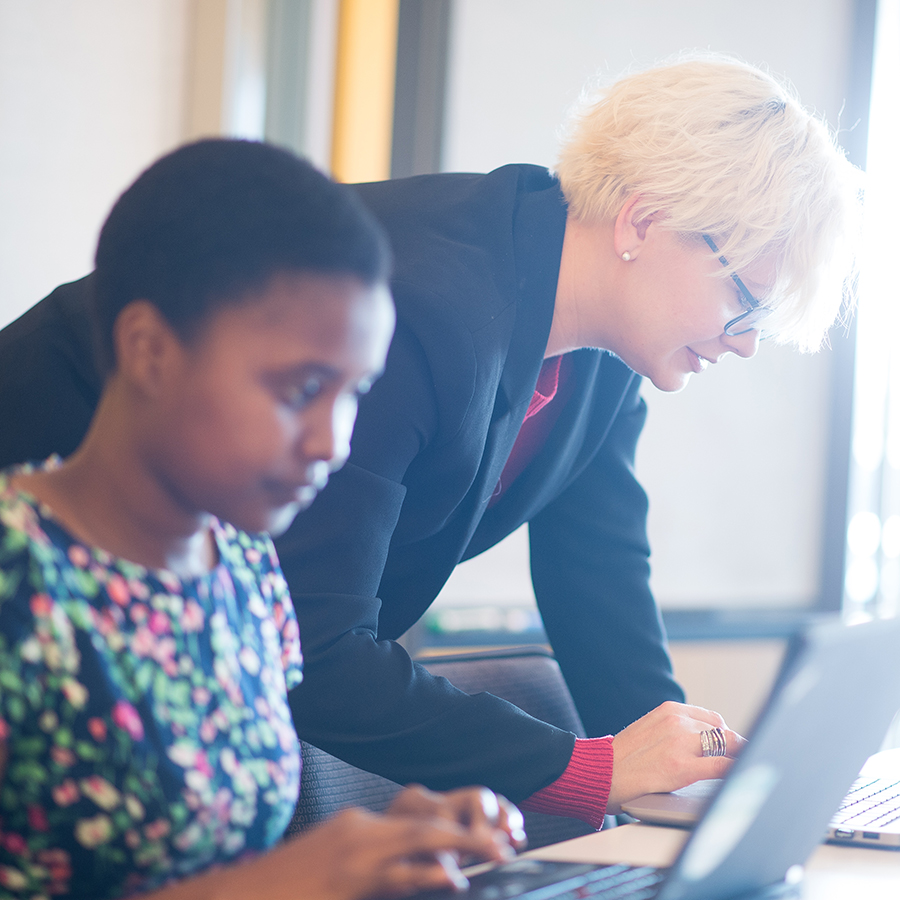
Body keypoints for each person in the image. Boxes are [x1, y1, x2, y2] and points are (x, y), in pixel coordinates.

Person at [0, 54, 859, 829]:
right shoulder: (417, 308)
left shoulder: (606, 359)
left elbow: (601, 586)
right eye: (746, 301)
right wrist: (584, 768)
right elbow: (317, 645)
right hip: (57, 599)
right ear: (642, 222)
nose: (746, 341)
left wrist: (682, 783)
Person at [0, 139, 529, 899]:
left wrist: (390, 848)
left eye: (354, 394)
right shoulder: (18, 578)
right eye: (300, 388)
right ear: (149, 351)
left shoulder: (245, 567)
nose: (334, 442)